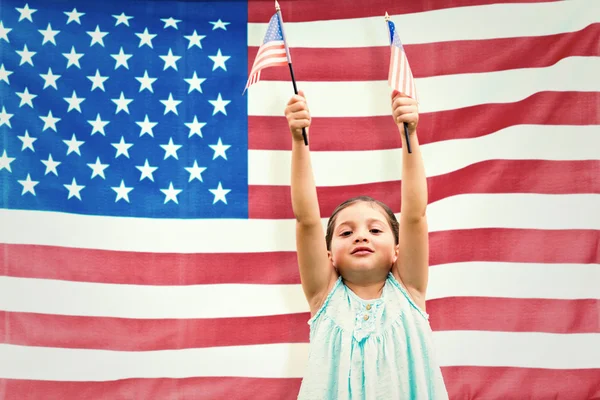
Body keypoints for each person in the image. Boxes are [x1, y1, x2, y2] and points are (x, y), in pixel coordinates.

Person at [285, 90, 449, 399]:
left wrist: (408, 134)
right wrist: (298, 140)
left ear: (397, 249)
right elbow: (306, 220)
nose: (361, 236)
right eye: (346, 233)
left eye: (375, 230)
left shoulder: (408, 290)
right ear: (329, 255)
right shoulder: (325, 297)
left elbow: (415, 214)